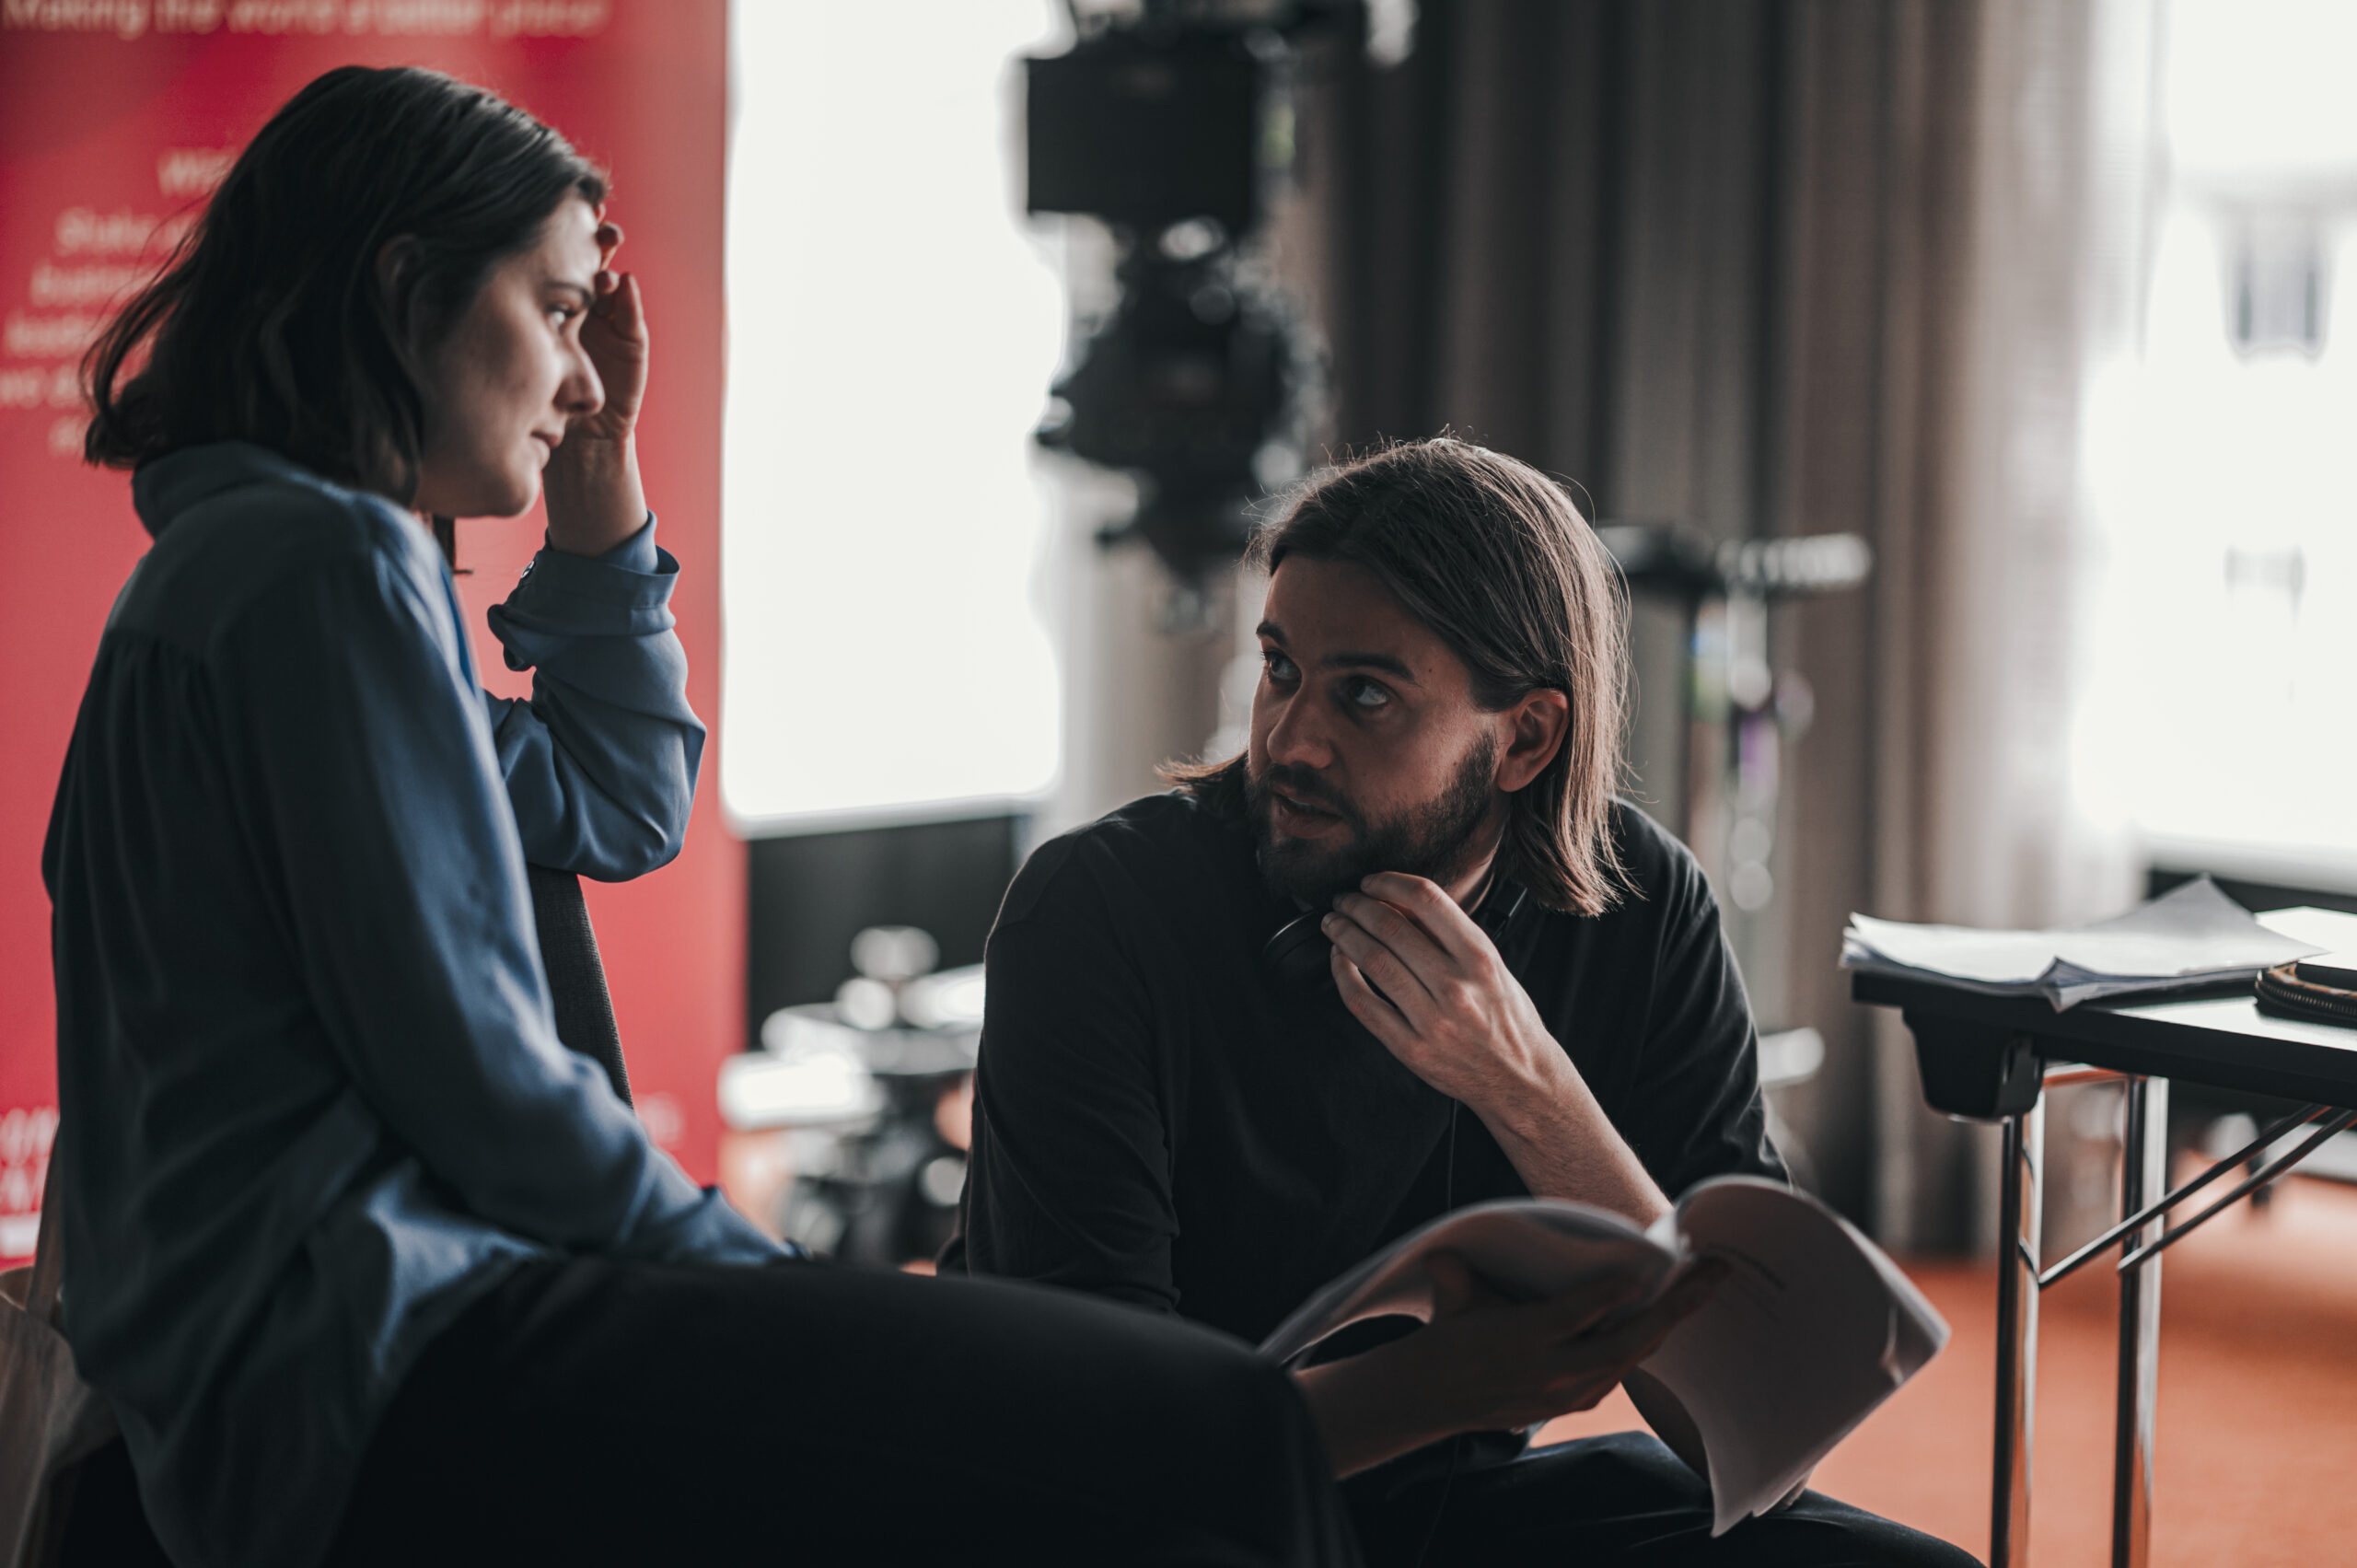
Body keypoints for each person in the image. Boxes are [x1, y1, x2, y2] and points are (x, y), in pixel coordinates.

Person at [40, 65, 1562, 1568]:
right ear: (405, 291)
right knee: (1216, 1429)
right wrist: (752, 1273)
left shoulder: (230, 571)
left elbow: (615, 799)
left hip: (318, 1351)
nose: (583, 375)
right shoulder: (328, 572)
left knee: (1154, 1426)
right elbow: (484, 1086)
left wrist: (598, 474)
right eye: (560, 311)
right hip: (391, 1343)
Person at [944, 439, 1980, 1566]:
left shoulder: (1642, 904)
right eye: (1280, 667)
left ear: (1524, 737)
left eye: (1367, 695)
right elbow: (1090, 1448)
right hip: (1163, 1523)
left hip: (1451, 1512)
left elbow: (1754, 1430)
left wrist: (1524, 1082)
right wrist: (1433, 1387)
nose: (1288, 742)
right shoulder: (1096, 910)